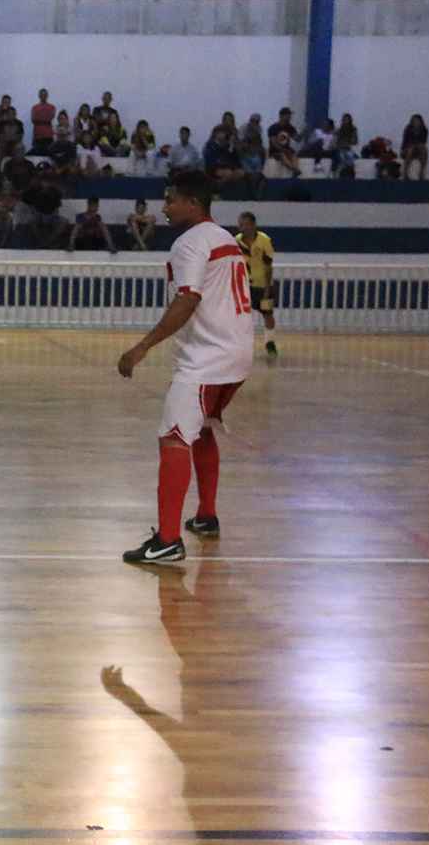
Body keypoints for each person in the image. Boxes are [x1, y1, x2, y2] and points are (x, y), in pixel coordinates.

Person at [117, 171, 254, 564]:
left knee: (174, 437)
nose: (164, 207)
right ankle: (206, 515)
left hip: (206, 360)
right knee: (203, 429)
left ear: (193, 203)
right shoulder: (225, 238)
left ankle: (167, 540)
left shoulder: (190, 243)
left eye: (171, 199)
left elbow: (187, 298)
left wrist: (142, 347)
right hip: (237, 355)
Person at [234, 212, 278, 359]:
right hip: (245, 286)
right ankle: (241, 345)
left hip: (262, 285)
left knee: (268, 314)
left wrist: (267, 288)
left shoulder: (264, 240)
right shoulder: (237, 241)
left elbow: (268, 266)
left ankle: (269, 342)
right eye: (240, 225)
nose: (242, 228)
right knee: (240, 316)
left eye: (245, 224)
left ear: (253, 225)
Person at [401, 113, 428, 180]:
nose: (416, 122)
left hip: (419, 149)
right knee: (411, 149)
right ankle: (405, 173)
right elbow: (405, 141)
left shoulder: (424, 130)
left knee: (423, 149)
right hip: (407, 150)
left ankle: (421, 173)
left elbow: (423, 141)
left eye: (417, 120)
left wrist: (417, 145)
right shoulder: (408, 129)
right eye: (415, 120)